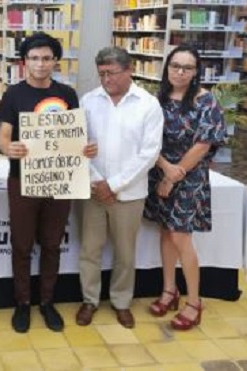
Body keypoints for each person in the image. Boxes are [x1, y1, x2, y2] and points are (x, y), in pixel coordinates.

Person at [0, 32, 97, 333]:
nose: (40, 64)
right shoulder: (13, 94)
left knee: (52, 243)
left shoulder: (68, 94)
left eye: (46, 58)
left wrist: (86, 149)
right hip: (22, 179)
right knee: (22, 243)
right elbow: (3, 133)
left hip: (59, 181)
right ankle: (23, 302)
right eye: (34, 58)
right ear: (24, 62)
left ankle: (47, 301)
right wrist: (6, 147)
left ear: (56, 62)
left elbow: (74, 137)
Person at [75, 46, 163, 329]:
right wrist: (97, 180)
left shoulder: (148, 105)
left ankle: (121, 302)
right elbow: (78, 146)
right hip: (93, 190)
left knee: (125, 252)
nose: (106, 80)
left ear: (129, 70)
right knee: (90, 249)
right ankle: (89, 300)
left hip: (129, 194)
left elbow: (149, 154)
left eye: (112, 73)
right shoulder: (88, 101)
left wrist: (113, 185)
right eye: (101, 74)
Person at [144, 44, 226, 330]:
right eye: (175, 66)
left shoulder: (206, 102)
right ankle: (169, 290)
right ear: (167, 67)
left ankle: (194, 301)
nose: (180, 72)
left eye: (187, 67)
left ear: (196, 71)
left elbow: (203, 145)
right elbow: (146, 139)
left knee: (181, 237)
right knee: (165, 231)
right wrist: (164, 169)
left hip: (188, 177)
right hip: (161, 169)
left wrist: (172, 177)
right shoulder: (158, 99)